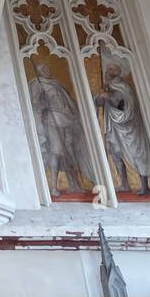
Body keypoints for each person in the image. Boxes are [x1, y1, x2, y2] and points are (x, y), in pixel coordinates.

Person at [28, 60, 91, 196]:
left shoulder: (56, 84)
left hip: (66, 119)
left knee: (69, 151)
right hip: (52, 119)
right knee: (57, 151)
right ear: (38, 71)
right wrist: (43, 103)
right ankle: (53, 187)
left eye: (47, 68)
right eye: (43, 68)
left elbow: (67, 101)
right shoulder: (37, 83)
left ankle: (75, 185)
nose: (46, 70)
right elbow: (35, 103)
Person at [94, 62, 150, 196]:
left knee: (136, 153)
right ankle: (125, 184)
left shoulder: (124, 87)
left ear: (118, 72)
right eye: (107, 69)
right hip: (113, 126)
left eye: (110, 69)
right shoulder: (108, 86)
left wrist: (109, 97)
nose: (107, 71)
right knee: (115, 152)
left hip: (128, 126)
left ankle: (144, 185)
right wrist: (99, 97)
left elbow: (122, 105)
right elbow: (99, 103)